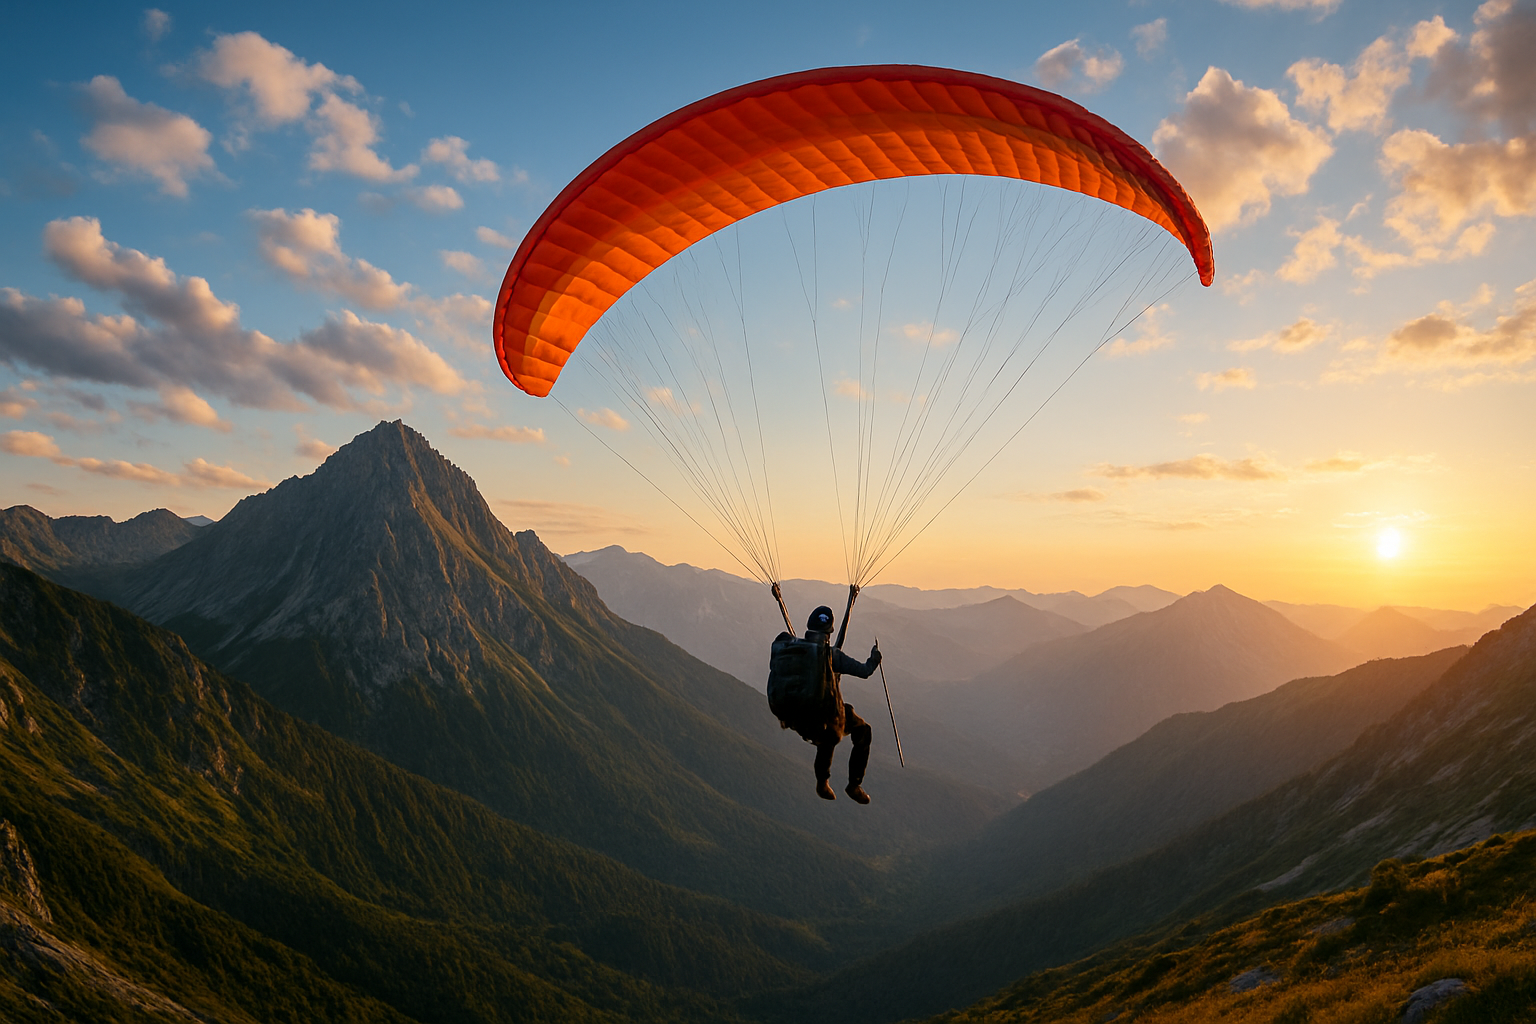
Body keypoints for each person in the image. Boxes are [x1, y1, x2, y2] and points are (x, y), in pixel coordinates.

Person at [775, 605, 882, 804]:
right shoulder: (832, 655)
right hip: (824, 719)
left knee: (830, 727)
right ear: (829, 632)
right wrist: (875, 658)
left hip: (798, 718)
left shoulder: (794, 648)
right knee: (860, 730)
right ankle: (854, 785)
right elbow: (865, 671)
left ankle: (822, 782)